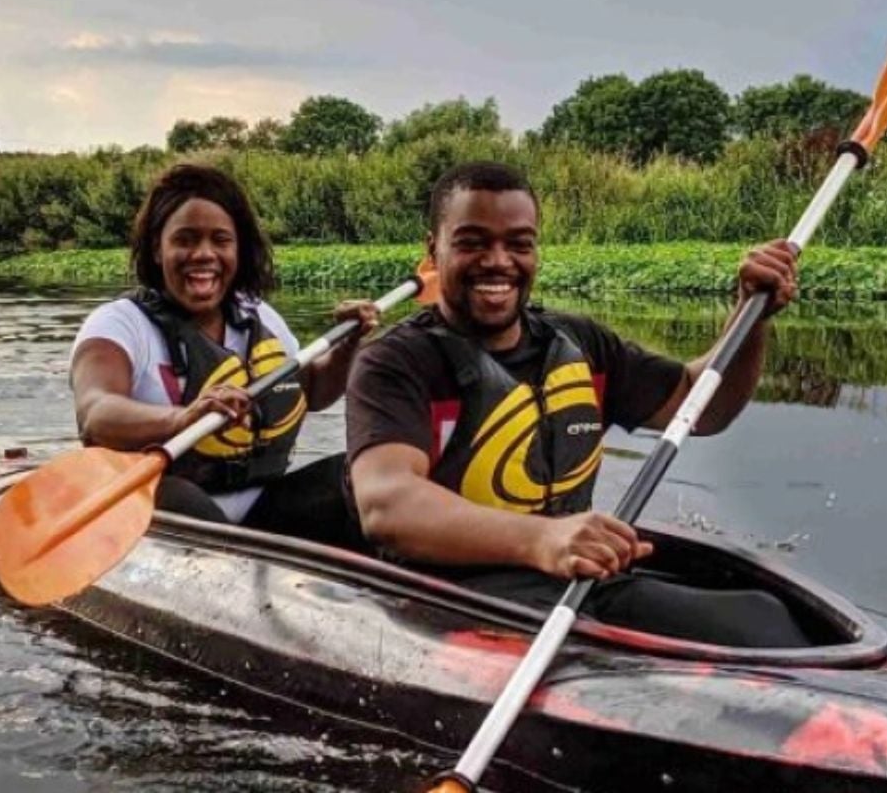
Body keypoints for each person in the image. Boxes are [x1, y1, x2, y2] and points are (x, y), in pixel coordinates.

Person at [344, 161, 809, 647]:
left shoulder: (580, 343)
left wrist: (750, 317)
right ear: (433, 251)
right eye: (472, 242)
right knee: (760, 627)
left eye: (519, 244)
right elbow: (386, 505)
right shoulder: (394, 362)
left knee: (765, 612)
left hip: (567, 583)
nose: (498, 261)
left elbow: (702, 408)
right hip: (446, 599)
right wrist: (543, 539)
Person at [71, 163, 375, 547]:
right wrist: (183, 417)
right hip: (170, 511)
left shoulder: (258, 315)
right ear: (156, 248)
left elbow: (313, 392)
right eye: (185, 240)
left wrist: (349, 344)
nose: (204, 254)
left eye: (220, 240)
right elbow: (95, 413)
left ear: (238, 249)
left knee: (359, 471)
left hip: (263, 511)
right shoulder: (118, 325)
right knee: (174, 494)